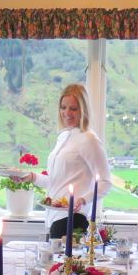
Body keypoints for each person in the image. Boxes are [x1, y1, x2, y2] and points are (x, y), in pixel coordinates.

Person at [24, 84, 112, 234]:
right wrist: (31, 177)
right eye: (63, 107)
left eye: (73, 108)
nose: (67, 113)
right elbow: (55, 181)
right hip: (54, 219)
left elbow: (106, 183)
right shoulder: (64, 136)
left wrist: (84, 199)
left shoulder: (89, 139)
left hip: (73, 219)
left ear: (83, 110)